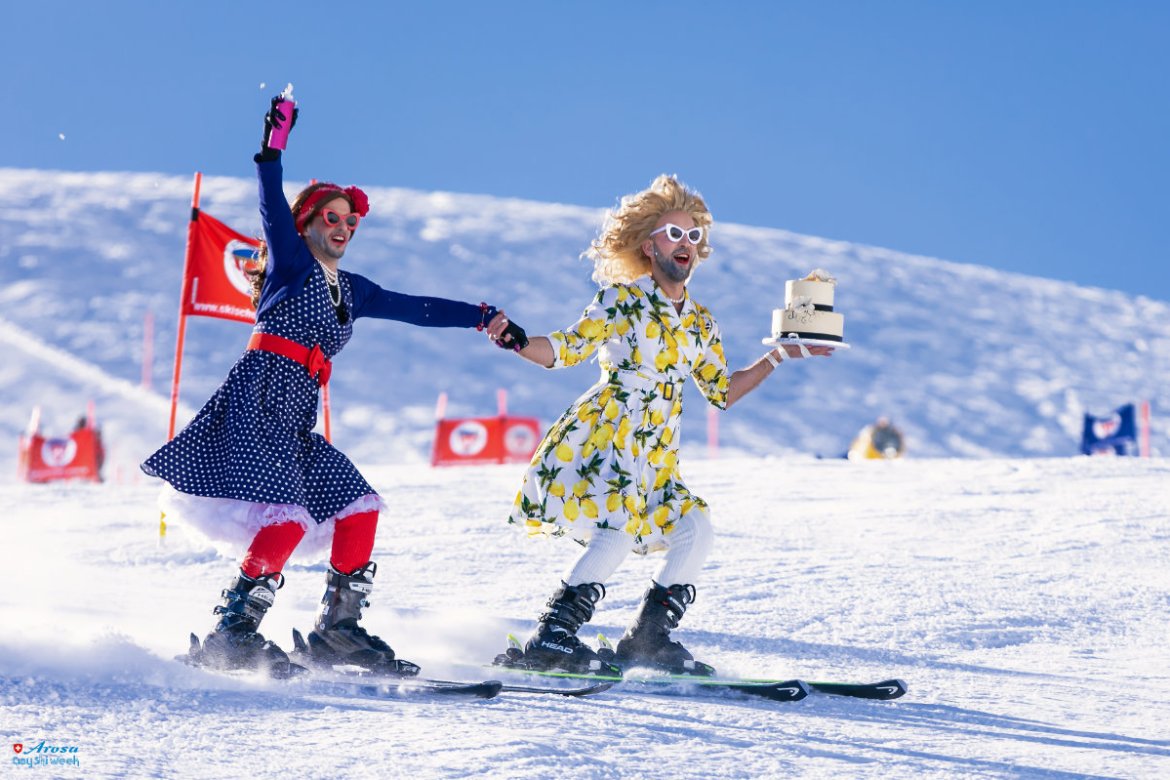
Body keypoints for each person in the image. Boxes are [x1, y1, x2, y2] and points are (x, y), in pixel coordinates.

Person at [142, 95, 525, 677]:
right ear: (307, 223)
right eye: (333, 217)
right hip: (257, 401)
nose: (345, 227)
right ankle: (232, 634)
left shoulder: (353, 288)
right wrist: (272, 150)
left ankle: (337, 633)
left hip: (293, 421)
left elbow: (414, 308)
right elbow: (271, 205)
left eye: (352, 220)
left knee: (358, 506)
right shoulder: (290, 265)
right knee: (288, 516)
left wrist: (483, 315)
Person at [494, 175, 833, 677]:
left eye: (694, 237)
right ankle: (551, 638)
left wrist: (780, 354)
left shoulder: (701, 322)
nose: (686, 245)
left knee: (694, 528)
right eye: (674, 235)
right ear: (648, 246)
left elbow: (721, 390)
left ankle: (648, 639)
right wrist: (518, 341)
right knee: (614, 531)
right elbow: (566, 348)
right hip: (608, 436)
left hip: (655, 451)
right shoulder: (621, 301)